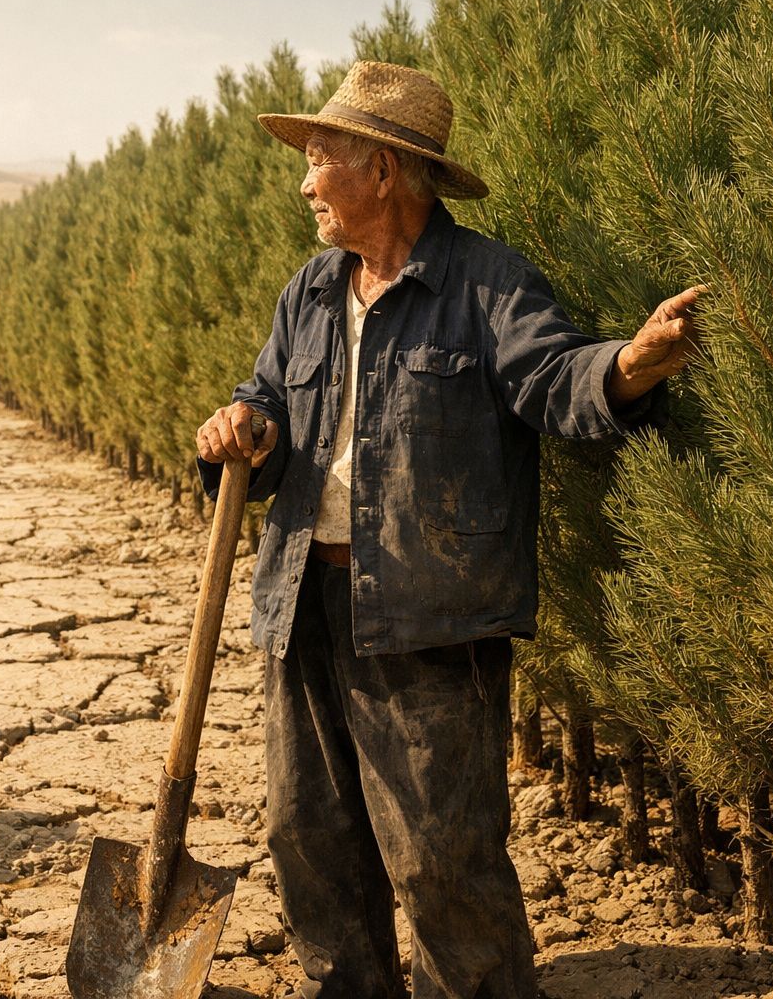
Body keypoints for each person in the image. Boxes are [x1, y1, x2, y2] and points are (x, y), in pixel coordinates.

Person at [194, 61, 701, 999]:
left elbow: (555, 379)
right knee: (308, 836)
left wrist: (632, 365)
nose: (305, 182)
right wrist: (244, 423)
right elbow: (265, 398)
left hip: (432, 617)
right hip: (304, 601)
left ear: (383, 170)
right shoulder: (310, 290)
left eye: (319, 159)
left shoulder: (488, 283)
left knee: (440, 859)